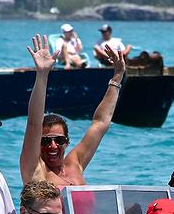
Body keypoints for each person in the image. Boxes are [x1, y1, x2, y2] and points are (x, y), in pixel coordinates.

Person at [19, 36, 125, 188]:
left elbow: (100, 123)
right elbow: (34, 123)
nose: (53, 146)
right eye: (45, 141)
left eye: (59, 140)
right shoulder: (35, 170)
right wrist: (42, 74)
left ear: (67, 142)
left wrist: (118, 76)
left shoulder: (75, 164)